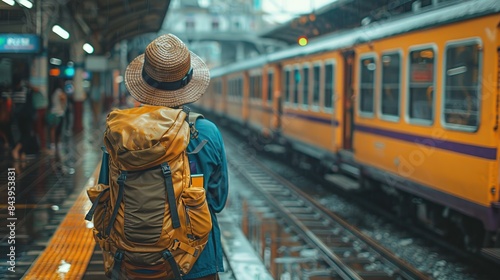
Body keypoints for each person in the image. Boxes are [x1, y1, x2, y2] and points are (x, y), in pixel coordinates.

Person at [124, 33, 229, 280]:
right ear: (187, 83)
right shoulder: (206, 132)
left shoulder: (121, 132)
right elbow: (217, 201)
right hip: (197, 257)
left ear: (144, 83)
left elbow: (107, 190)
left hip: (137, 256)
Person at [47, 79, 67, 153]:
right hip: (59, 113)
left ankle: (52, 144)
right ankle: (58, 144)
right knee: (59, 130)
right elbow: (63, 101)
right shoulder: (60, 92)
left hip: (53, 113)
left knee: (53, 129)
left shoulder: (53, 92)